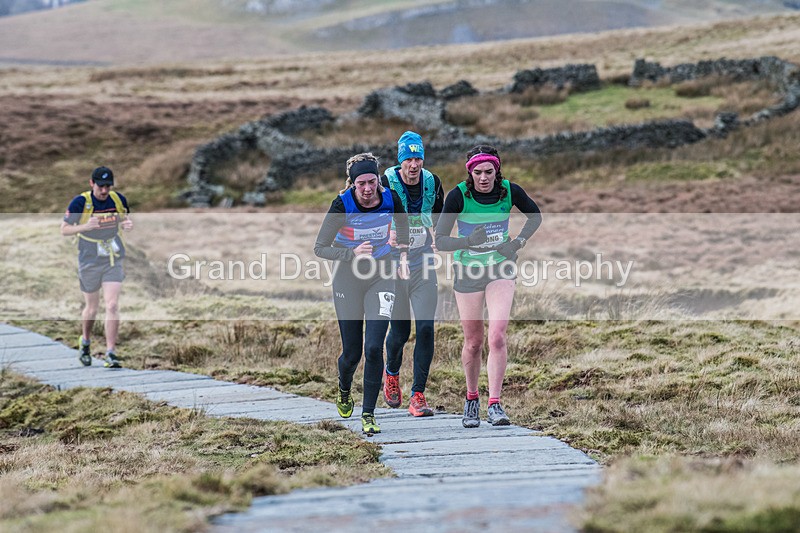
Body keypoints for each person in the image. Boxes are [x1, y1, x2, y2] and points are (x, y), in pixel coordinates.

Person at [434, 145, 542, 427]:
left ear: (497, 171)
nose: (484, 177)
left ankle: (495, 404)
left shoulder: (509, 191)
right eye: (478, 172)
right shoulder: (459, 195)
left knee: (497, 336)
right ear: (471, 172)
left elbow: (535, 215)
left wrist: (516, 243)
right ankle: (471, 399)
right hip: (468, 270)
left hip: (500, 268)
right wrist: (467, 242)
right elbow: (441, 240)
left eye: (489, 172)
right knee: (473, 342)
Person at [314, 153, 410, 435]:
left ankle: (368, 414)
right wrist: (351, 252)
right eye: (361, 184)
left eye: (371, 182)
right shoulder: (341, 204)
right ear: (353, 184)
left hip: (382, 276)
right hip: (347, 279)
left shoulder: (391, 199)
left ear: (378, 180)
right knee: (353, 353)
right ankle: (344, 388)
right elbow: (320, 248)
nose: (367, 189)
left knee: (373, 347)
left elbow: (403, 225)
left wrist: (401, 252)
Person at [381, 131, 444, 417]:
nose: (414, 164)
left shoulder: (433, 182)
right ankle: (391, 373)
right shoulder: (386, 182)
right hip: (393, 265)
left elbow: (442, 216)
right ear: (401, 161)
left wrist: (438, 237)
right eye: (409, 159)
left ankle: (418, 395)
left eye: (418, 158)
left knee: (427, 327)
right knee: (401, 329)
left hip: (424, 263)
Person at [60, 166, 133, 368]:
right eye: (101, 186)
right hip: (89, 259)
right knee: (92, 309)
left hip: (112, 257)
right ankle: (85, 341)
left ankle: (111, 353)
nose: (104, 190)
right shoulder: (81, 202)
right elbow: (64, 230)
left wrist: (127, 224)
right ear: (92, 183)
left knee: (112, 305)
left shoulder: (118, 200)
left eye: (108, 186)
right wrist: (85, 227)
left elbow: (124, 218)